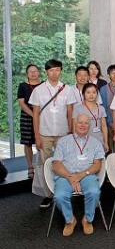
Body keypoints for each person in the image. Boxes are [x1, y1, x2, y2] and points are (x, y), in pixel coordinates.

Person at [29, 59, 77, 208]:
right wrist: (36, 136)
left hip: (63, 133)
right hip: (45, 133)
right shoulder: (39, 90)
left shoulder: (67, 89)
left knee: (65, 163)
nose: (54, 73)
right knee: (44, 164)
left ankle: (65, 192)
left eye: (57, 69)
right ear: (46, 72)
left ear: (61, 71)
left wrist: (71, 133)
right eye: (51, 70)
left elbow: (70, 113)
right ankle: (48, 195)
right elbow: (35, 115)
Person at [52, 114, 105, 236]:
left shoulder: (95, 143)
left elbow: (97, 165)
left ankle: (87, 219)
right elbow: (56, 164)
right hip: (66, 175)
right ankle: (70, 220)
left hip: (87, 175)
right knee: (59, 196)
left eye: (85, 123)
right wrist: (70, 177)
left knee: (94, 192)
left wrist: (82, 174)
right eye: (80, 122)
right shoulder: (63, 141)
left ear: (89, 125)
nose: (82, 125)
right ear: (74, 124)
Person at [17, 64, 42, 178]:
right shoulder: (22, 86)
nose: (33, 73)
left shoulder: (43, 85)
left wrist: (38, 115)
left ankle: (40, 166)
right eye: (30, 71)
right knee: (28, 142)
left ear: (39, 72)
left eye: (35, 71)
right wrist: (33, 115)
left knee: (41, 141)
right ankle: (30, 166)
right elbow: (21, 103)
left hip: (42, 115)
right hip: (27, 115)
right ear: (27, 74)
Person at [73, 83, 109, 153]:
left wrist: (106, 142)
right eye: (88, 92)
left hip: (99, 142)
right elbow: (74, 128)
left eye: (94, 92)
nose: (91, 95)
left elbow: (104, 127)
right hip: (83, 143)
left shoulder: (101, 108)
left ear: (97, 94)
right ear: (83, 94)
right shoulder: (78, 109)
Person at [99, 64, 115, 153]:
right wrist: (110, 122)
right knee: (108, 146)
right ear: (109, 74)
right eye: (112, 73)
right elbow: (103, 107)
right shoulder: (103, 89)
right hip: (108, 122)